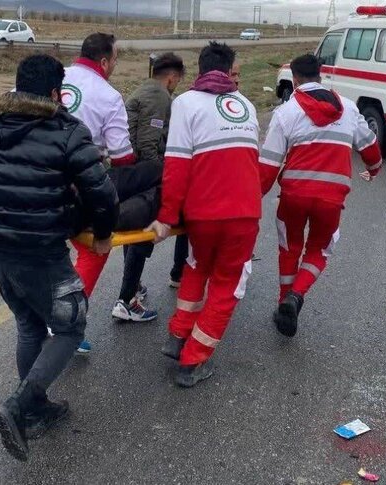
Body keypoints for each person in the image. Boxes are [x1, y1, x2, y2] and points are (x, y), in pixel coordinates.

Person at [0, 54, 118, 461]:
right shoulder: (66, 132)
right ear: (56, 93)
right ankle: (18, 407)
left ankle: (35, 411)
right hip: (42, 255)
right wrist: (102, 235)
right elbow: (102, 194)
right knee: (70, 328)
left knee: (29, 325)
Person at [0, 33, 135, 354]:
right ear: (105, 62)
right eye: (116, 60)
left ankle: (49, 319)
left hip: (23, 199)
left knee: (31, 300)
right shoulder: (109, 96)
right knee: (94, 250)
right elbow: (122, 157)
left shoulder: (47, 76)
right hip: (73, 191)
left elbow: (4, 103)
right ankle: (65, 317)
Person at [148, 42, 261, 388]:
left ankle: (178, 335)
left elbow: (176, 166)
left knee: (197, 267)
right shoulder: (247, 106)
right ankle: (193, 360)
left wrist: (167, 216)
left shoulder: (185, 103)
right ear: (229, 71)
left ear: (199, 70)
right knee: (226, 284)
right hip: (243, 213)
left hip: (202, 214)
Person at [259, 54, 383, 338]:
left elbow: (268, 165)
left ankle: (284, 302)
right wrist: (374, 169)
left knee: (289, 247)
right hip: (331, 199)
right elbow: (370, 148)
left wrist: (252, 199)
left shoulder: (286, 113)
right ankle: (296, 296)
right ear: (321, 75)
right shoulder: (348, 108)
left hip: (293, 195)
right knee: (319, 249)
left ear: (294, 80)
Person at [112, 52, 186, 323]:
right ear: (172, 77)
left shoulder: (144, 89)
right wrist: (160, 177)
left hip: (129, 171)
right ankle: (126, 298)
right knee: (142, 235)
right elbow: (147, 144)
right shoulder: (159, 97)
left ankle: (132, 286)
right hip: (141, 173)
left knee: (133, 234)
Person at [167, 61, 241, 289]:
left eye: (238, 74)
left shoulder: (238, 103)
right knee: (190, 233)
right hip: (202, 183)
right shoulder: (192, 102)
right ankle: (182, 271)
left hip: (221, 183)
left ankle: (186, 272)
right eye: (233, 74)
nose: (237, 79)